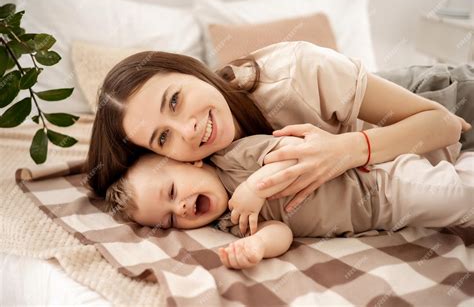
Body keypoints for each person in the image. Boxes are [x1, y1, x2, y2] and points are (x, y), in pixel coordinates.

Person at [86, 41, 472, 211]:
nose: (186, 130)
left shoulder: (294, 73)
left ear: (191, 69)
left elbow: (444, 124)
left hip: (443, 98)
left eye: (174, 100)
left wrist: (343, 151)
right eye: (163, 137)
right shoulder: (206, 165)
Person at [105, 134, 474, 270]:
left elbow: (292, 152)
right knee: (454, 198)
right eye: (170, 220)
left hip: (379, 183)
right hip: (385, 215)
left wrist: (256, 187)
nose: (181, 209)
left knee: (461, 196)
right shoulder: (228, 222)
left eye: (172, 193)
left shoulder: (236, 158)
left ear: (191, 162)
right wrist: (259, 245)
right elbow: (279, 230)